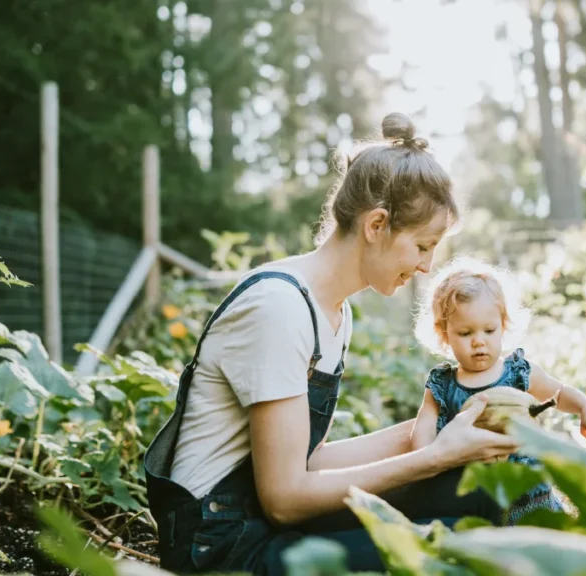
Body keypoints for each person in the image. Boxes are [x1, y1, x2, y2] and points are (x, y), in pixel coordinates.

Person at [144, 112, 520, 575]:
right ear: (376, 224)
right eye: (423, 246)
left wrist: (435, 428)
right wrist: (433, 457)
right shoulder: (279, 307)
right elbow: (284, 498)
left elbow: (308, 459)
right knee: (455, 549)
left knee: (483, 488)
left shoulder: (333, 311)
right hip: (223, 550)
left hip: (266, 523)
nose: (426, 267)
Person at [410, 256, 586, 524]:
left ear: (503, 325)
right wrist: (427, 461)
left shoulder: (518, 373)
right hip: (477, 497)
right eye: (465, 334)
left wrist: (584, 405)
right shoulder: (442, 385)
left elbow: (556, 392)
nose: (479, 342)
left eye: (489, 330)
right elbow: (423, 432)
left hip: (531, 495)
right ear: (444, 334)